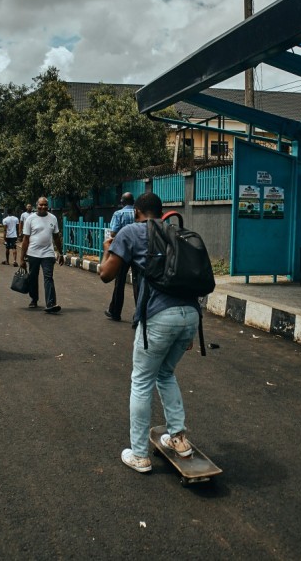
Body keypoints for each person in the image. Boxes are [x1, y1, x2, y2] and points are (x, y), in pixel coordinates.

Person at [98, 192, 201, 473]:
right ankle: (178, 439)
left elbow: (106, 274)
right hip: (191, 315)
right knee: (165, 374)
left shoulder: (131, 231)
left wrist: (108, 248)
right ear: (161, 211)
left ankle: (140, 455)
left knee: (142, 381)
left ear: (136, 212)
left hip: (159, 315)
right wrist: (188, 331)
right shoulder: (175, 232)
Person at [18, 197, 63, 313]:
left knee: (48, 277)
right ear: (36, 205)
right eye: (41, 205)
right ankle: (34, 299)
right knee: (33, 277)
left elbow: (56, 237)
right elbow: (26, 239)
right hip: (33, 253)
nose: (43, 207)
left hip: (48, 253)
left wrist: (61, 253)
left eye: (45, 205)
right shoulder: (30, 219)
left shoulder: (53, 218)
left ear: (48, 206)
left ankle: (50, 303)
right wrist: (22, 258)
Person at [104, 192, 139, 321]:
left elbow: (113, 232)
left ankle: (115, 311)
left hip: (123, 251)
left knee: (120, 282)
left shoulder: (118, 214)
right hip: (137, 249)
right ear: (133, 201)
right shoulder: (137, 212)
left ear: (122, 202)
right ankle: (139, 314)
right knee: (138, 282)